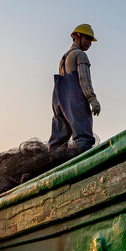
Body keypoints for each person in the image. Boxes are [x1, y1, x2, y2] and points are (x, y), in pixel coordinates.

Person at [48, 23, 101, 155]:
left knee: (58, 142)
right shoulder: (79, 54)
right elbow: (84, 79)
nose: (89, 42)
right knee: (83, 137)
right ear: (77, 36)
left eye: (91, 40)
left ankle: (55, 165)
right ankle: (86, 166)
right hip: (74, 98)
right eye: (87, 38)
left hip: (58, 100)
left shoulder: (63, 58)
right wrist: (92, 99)